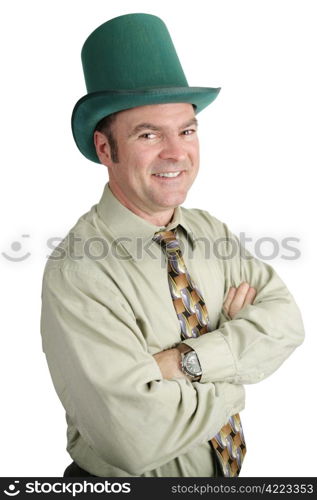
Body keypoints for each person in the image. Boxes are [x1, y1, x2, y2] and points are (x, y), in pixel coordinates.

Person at [40, 13, 304, 478]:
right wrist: (236, 370)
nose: (175, 152)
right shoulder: (80, 269)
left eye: (186, 130)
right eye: (148, 134)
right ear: (106, 149)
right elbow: (135, 441)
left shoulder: (211, 232)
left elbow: (287, 324)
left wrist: (184, 362)